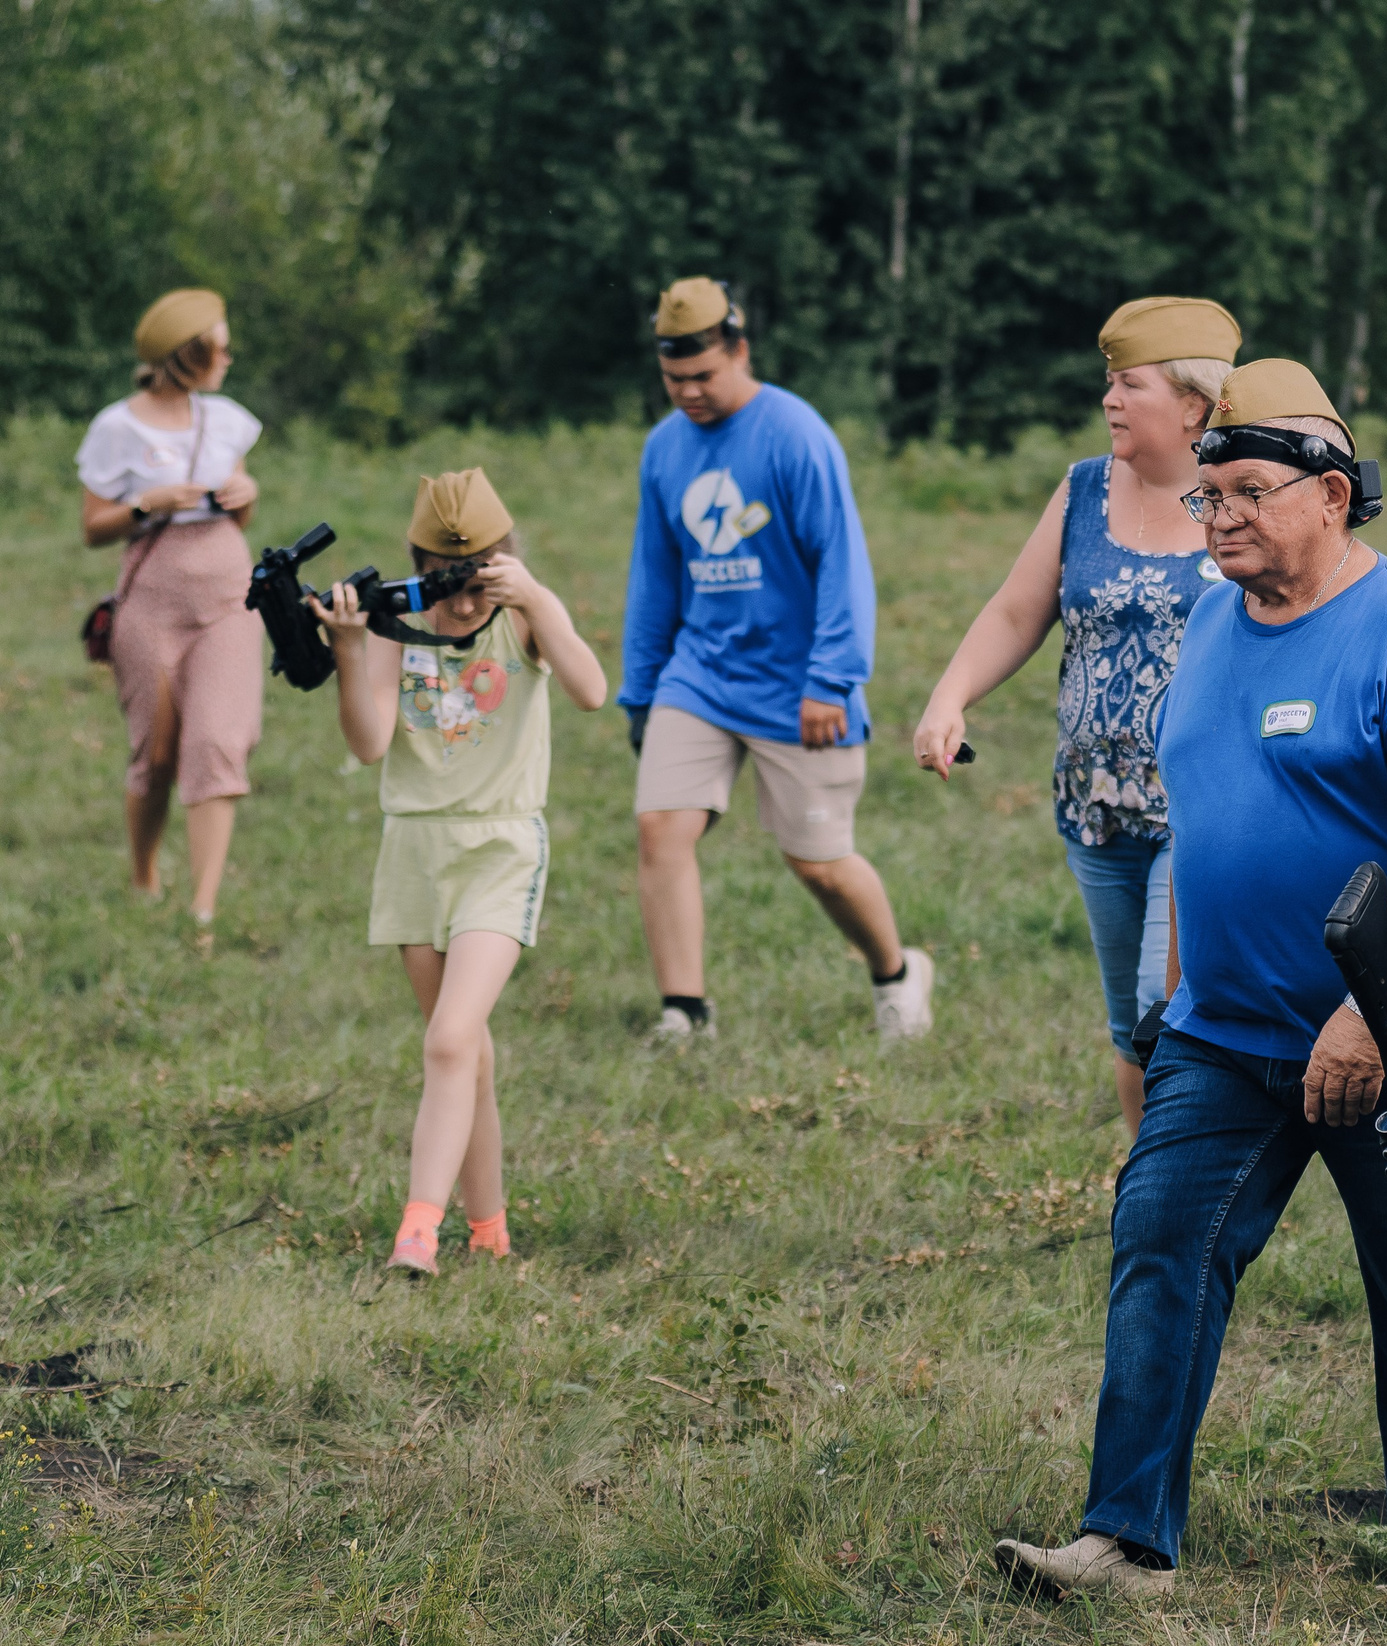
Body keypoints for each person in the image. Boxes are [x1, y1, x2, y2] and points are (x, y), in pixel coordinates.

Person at [991, 361, 1387, 1605]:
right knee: (1161, 1241)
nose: (1216, 516)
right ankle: (1125, 1542)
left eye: (1243, 492)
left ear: (1331, 493)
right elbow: (1203, 810)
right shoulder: (1217, 616)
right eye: (1205, 495)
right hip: (1224, 1029)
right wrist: (1175, 987)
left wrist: (1376, 1011)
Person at [913, 298, 1240, 1134]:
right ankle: (1149, 1192)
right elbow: (1019, 610)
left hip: (1200, 804)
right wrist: (950, 697)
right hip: (1091, 802)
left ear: (1194, 405)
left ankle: (1183, 1187)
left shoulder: (1240, 491)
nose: (1110, 399)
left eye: (1129, 384)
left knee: (1159, 1005)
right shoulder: (1085, 488)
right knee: (1125, 1025)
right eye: (1109, 382)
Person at [311, 470, 608, 1275]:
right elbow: (370, 744)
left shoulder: (523, 621)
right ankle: (489, 1227)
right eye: (448, 583)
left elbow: (591, 690)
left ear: (502, 563)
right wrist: (348, 648)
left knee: (448, 1037)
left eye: (478, 580)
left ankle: (419, 1226)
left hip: (501, 847)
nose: (464, 605)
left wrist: (538, 600)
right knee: (462, 1051)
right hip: (414, 849)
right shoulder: (394, 625)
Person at [621, 278, 932, 1042]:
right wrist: (640, 689)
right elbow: (655, 575)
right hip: (698, 674)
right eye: (674, 380)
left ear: (740, 350)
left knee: (818, 863)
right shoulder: (664, 449)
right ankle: (684, 1012)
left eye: (703, 376)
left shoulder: (795, 434)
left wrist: (831, 678)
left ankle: (896, 971)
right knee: (660, 828)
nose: (689, 393)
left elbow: (842, 562)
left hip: (800, 686)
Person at [76, 289, 264, 929]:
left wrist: (245, 492)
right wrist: (146, 504)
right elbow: (92, 527)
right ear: (188, 355)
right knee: (156, 755)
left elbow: (238, 512)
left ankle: (203, 909)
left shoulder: (227, 420)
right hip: (152, 597)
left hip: (228, 597)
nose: (228, 356)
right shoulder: (115, 428)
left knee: (216, 742)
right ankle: (144, 875)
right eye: (219, 345)